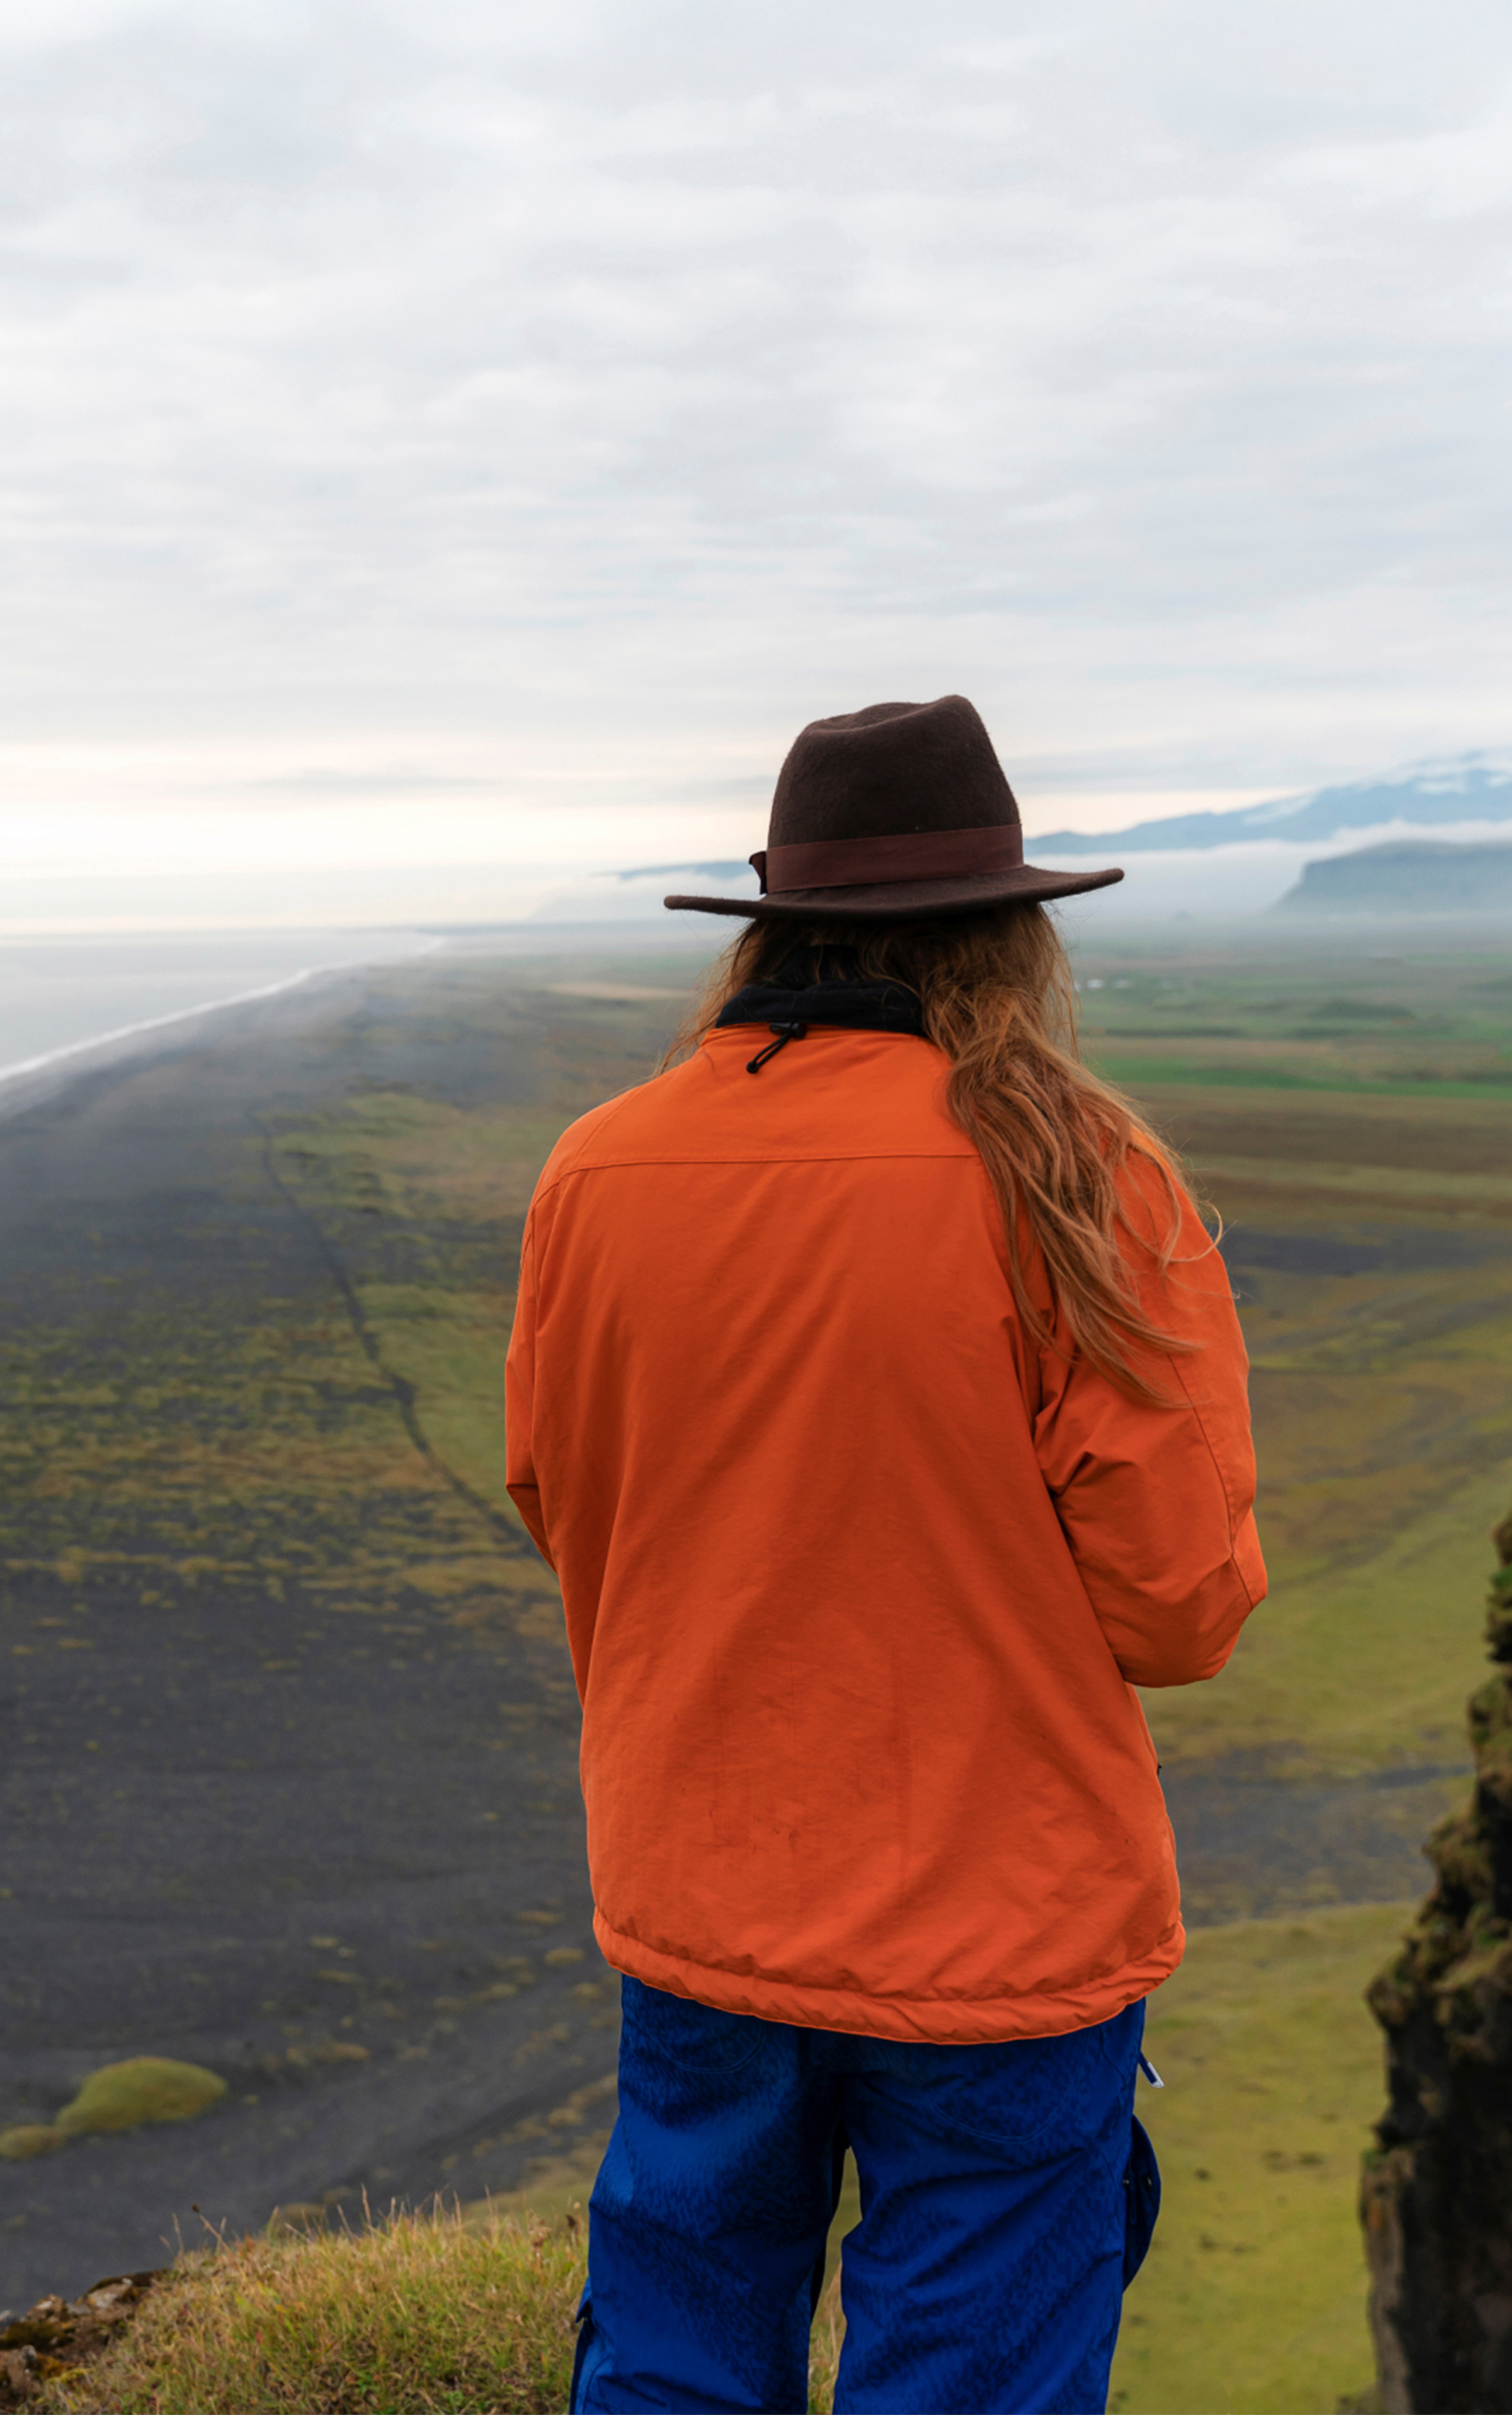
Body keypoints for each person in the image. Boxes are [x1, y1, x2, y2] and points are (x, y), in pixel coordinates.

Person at [505, 695, 1265, 2415]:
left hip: (702, 1879)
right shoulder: (1080, 1172)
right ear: (1009, 930)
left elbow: (560, 1494)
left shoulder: (595, 1170)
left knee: (678, 2355)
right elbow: (1178, 1605)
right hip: (1007, 1924)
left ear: (773, 921)